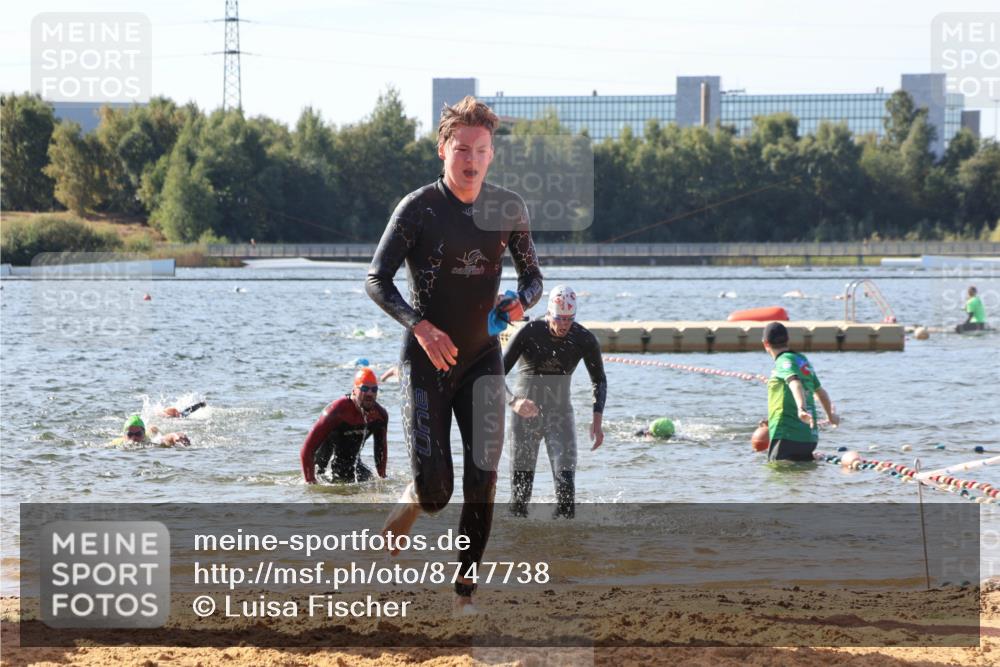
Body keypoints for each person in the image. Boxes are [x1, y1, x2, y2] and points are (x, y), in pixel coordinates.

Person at [366, 95, 543, 613]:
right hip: (427, 361)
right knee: (438, 491)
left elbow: (533, 278)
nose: (470, 158)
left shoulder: (508, 208)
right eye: (461, 147)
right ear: (443, 149)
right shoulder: (418, 209)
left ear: (491, 155)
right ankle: (414, 497)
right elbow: (376, 279)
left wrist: (520, 302)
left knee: (484, 479)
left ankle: (465, 593)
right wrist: (419, 326)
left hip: (482, 358)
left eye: (481, 150)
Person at [503, 285, 606, 519]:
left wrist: (596, 422)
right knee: (520, 496)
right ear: (549, 314)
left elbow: (599, 380)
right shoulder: (529, 332)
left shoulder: (584, 338)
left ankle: (565, 548)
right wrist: (513, 402)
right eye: (559, 319)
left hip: (560, 415)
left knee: (566, 489)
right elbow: (495, 373)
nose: (563, 326)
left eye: (569, 320)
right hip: (524, 417)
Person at [762, 322, 839, 461]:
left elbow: (794, 382)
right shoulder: (802, 360)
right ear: (787, 340)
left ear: (765, 343)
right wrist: (830, 416)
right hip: (809, 437)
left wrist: (801, 409)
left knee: (778, 476)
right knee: (802, 478)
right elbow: (820, 392)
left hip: (787, 434)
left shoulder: (783, 362)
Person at [300, 368, 388, 484]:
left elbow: (381, 450)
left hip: (351, 464)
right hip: (323, 467)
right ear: (354, 390)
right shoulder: (336, 412)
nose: (370, 393)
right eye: (364, 388)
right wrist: (310, 481)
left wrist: (382, 477)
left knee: (372, 484)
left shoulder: (379, 416)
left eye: (374, 389)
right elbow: (307, 449)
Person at [111, 414, 189, 447]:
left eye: (138, 434)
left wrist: (175, 436)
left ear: (143, 434)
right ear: (124, 435)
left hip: (151, 432)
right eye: (130, 434)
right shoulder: (118, 442)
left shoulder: (150, 441)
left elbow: (165, 438)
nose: (134, 438)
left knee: (153, 430)